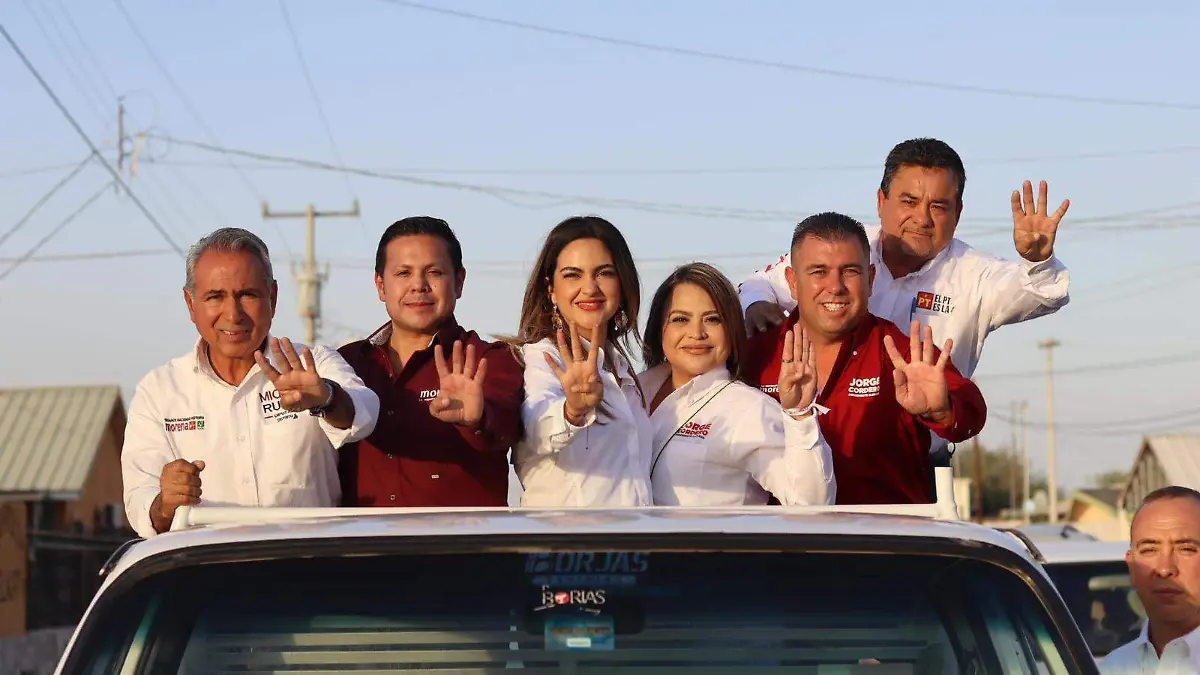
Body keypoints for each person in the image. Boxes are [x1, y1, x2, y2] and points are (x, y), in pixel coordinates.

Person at [737, 138, 1069, 464]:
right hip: (803, 454)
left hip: (911, 467)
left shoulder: (977, 275)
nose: (922, 219)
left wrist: (1038, 260)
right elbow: (758, 284)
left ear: (958, 213)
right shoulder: (844, 247)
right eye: (909, 202)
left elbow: (1040, 292)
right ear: (881, 201)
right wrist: (757, 305)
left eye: (938, 206)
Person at [121, 228, 380, 538]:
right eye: (215, 297)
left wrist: (327, 398)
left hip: (309, 563)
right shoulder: (159, 391)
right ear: (190, 304)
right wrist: (165, 504)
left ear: (273, 297)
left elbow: (366, 412)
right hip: (205, 566)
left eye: (248, 295)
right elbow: (139, 500)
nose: (233, 314)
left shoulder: (312, 363)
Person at [742, 212, 987, 505]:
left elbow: (970, 413)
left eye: (849, 271)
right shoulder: (756, 355)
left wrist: (941, 409)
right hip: (782, 534)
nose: (835, 287)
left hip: (887, 533)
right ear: (792, 282)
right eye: (819, 271)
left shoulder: (901, 353)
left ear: (871, 279)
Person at [337, 217, 524, 507]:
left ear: (459, 282)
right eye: (403, 273)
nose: (418, 286)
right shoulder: (347, 363)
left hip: (464, 536)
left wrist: (477, 419)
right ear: (380, 286)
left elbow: (504, 427)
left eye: (434, 272)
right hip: (361, 537)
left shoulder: (489, 359)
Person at [638, 262, 835, 506]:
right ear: (659, 329)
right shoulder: (630, 394)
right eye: (680, 319)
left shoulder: (750, 409)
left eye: (712, 319)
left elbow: (811, 503)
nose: (697, 333)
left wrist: (800, 416)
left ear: (731, 329)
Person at [509, 216, 651, 507]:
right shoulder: (540, 358)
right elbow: (536, 427)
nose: (590, 288)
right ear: (551, 289)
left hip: (635, 535)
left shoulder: (622, 370)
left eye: (604, 273)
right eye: (573, 275)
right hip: (568, 536)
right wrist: (572, 411)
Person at [1101, 486, 1200, 673]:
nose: (1164, 569)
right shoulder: (1111, 668)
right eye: (1149, 550)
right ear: (1131, 566)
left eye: (1186, 549)